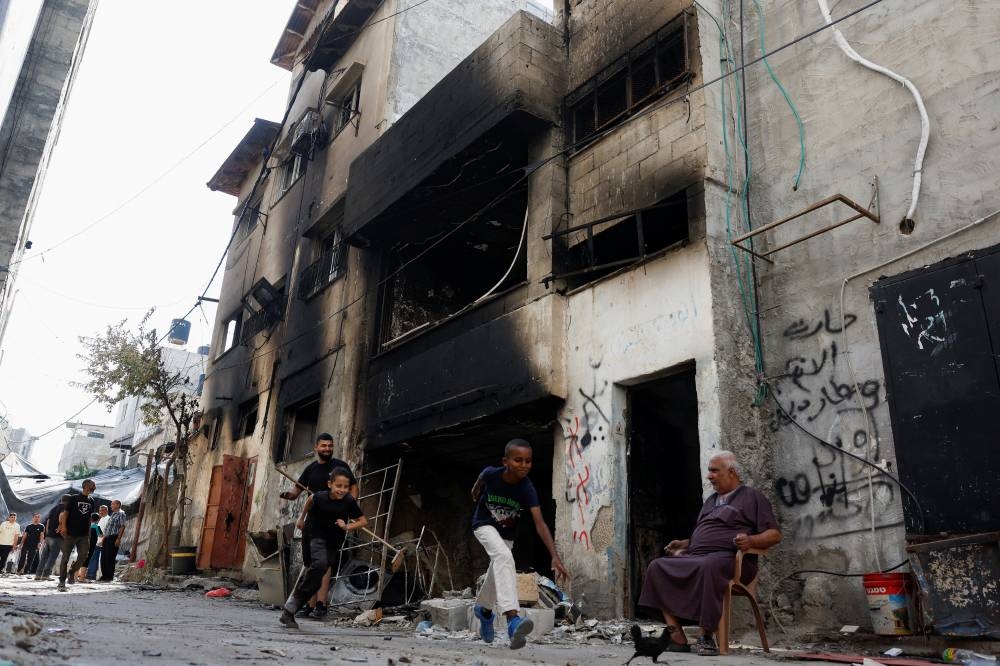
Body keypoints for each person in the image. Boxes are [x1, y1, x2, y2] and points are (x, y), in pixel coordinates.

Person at [637, 451, 782, 656]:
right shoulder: (711, 501)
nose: (709, 476)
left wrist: (751, 541)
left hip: (734, 561)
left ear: (731, 472)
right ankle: (676, 635)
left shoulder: (751, 497)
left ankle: (706, 636)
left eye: (714, 471)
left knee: (709, 566)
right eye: (709, 471)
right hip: (699, 556)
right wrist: (685, 544)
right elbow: (706, 536)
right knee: (657, 566)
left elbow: (775, 535)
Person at [470, 438, 569, 650]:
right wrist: (475, 490)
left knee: (497, 570)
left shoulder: (527, 488)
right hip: (484, 525)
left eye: (528, 461)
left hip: (507, 533)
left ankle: (484, 611)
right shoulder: (492, 474)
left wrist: (555, 555)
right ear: (505, 461)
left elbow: (540, 524)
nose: (524, 465)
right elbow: (481, 478)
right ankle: (512, 619)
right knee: (505, 558)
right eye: (518, 460)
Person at [279, 433, 358, 620]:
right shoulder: (311, 469)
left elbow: (353, 487)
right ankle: (309, 605)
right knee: (311, 564)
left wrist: (348, 504)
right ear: (316, 448)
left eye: (330, 446)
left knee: (323, 563)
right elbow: (297, 492)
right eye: (324, 446)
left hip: (333, 524)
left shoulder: (340, 467)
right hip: (313, 524)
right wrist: (288, 496)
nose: (327, 449)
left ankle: (321, 605)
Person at [57, 478, 97, 591]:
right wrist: (64, 527)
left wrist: (89, 533)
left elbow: (89, 518)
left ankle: (72, 571)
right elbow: (65, 514)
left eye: (94, 486)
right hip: (70, 533)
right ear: (85, 486)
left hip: (84, 534)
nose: (93, 488)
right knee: (65, 558)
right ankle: (62, 580)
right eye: (92, 486)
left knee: (84, 556)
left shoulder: (91, 500)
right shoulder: (73, 498)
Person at [36, 496, 69, 581]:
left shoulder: (54, 508)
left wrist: (47, 533)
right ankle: (46, 575)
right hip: (57, 537)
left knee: (44, 557)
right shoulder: (65, 507)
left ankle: (38, 575)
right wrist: (60, 525)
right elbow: (62, 515)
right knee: (52, 557)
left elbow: (48, 521)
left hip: (49, 536)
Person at [99, 500, 126, 582]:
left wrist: (118, 538)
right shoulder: (113, 514)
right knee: (104, 557)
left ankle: (109, 576)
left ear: (118, 505)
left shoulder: (121, 514)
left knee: (110, 557)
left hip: (113, 538)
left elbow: (122, 526)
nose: (111, 506)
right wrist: (104, 538)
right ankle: (104, 576)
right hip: (107, 538)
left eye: (112, 504)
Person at [87, 505, 109, 580]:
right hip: (95, 543)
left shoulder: (89, 525)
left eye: (102, 511)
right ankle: (91, 575)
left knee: (92, 559)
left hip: (95, 543)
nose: (101, 512)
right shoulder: (97, 525)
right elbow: (100, 534)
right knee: (93, 559)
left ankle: (89, 574)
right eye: (100, 511)